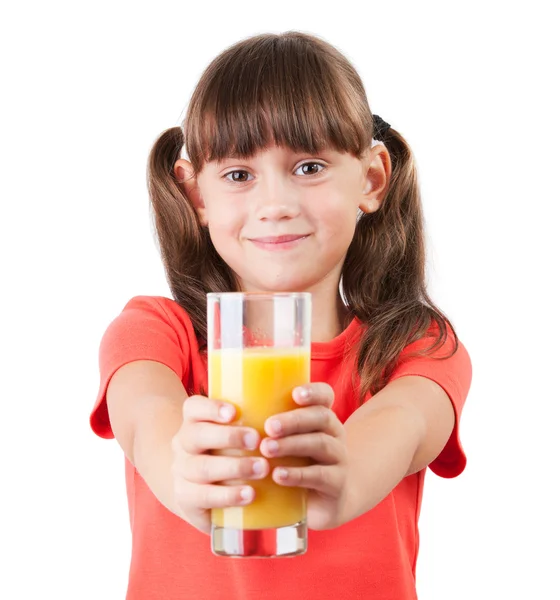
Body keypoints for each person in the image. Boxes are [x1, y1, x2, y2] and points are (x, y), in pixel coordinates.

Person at [90, 31, 472, 600]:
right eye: (239, 175)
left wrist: (344, 469)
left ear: (371, 179)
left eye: (310, 166)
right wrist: (185, 471)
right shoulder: (154, 331)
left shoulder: (418, 347)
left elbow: (404, 424)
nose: (276, 205)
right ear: (196, 195)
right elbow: (147, 418)